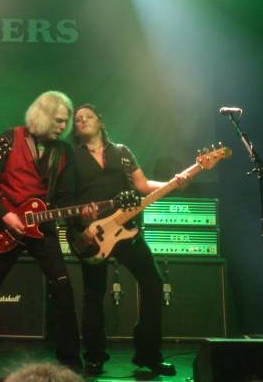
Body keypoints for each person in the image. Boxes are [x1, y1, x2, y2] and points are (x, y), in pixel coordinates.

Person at [70, 104, 182, 376]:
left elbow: (142, 186)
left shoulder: (121, 152)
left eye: (88, 116)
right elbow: (66, 196)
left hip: (126, 230)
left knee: (153, 283)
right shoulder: (71, 158)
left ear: (100, 121)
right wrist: (80, 219)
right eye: (78, 119)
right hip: (93, 234)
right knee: (93, 294)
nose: (82, 120)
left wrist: (175, 182)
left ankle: (148, 355)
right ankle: (94, 357)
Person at [0, 91, 83, 371]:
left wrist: (82, 213)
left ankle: (71, 366)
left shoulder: (65, 152)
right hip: (4, 227)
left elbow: (66, 198)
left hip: (42, 229)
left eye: (66, 121)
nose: (64, 126)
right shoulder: (10, 138)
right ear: (43, 116)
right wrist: (5, 215)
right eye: (58, 120)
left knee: (64, 292)